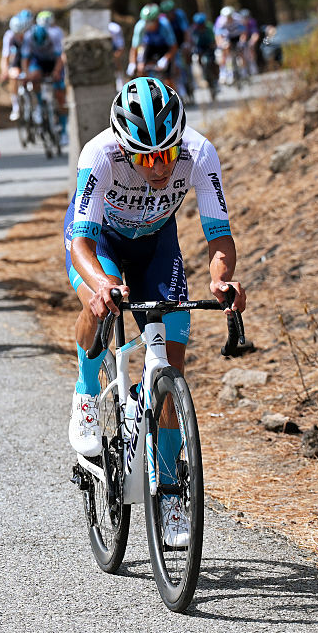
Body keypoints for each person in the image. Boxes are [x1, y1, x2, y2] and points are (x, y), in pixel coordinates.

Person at [64, 77, 246, 545]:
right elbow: (80, 243)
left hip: (157, 245)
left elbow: (218, 234)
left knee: (171, 365)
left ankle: (168, 493)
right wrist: (102, 285)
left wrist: (221, 278)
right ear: (125, 149)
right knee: (100, 307)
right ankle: (86, 392)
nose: (160, 166)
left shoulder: (199, 153)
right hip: (100, 243)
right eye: (145, 158)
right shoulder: (99, 155)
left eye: (167, 153)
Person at [21, 24, 68, 147]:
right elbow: (25, 59)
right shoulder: (28, 37)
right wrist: (26, 74)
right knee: (34, 77)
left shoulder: (54, 35)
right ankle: (40, 105)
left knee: (60, 94)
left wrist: (56, 72)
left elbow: (61, 57)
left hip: (54, 61)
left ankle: (63, 131)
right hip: (38, 62)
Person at [1, 10, 32, 121]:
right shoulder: (9, 36)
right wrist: (5, 71)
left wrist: (27, 73)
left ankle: (36, 105)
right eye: (17, 34)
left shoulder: (29, 35)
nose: (20, 36)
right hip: (17, 58)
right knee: (13, 75)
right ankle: (16, 106)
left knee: (33, 76)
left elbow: (26, 57)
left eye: (22, 33)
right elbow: (5, 57)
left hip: (28, 58)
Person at [189, 13, 219, 100]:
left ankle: (216, 76)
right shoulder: (193, 30)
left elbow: (214, 39)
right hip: (200, 47)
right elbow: (192, 41)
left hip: (209, 46)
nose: (201, 26)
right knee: (199, 60)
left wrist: (214, 45)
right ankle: (204, 75)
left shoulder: (209, 27)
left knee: (212, 61)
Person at [214, 6, 245, 85]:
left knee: (241, 51)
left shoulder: (238, 19)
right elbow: (218, 36)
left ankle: (244, 72)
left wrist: (242, 42)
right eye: (227, 17)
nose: (229, 18)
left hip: (236, 36)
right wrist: (221, 45)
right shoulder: (220, 22)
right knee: (224, 52)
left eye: (230, 16)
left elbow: (244, 33)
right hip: (226, 37)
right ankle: (223, 73)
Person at [238, 8, 260, 77]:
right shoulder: (239, 23)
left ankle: (253, 69)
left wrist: (252, 42)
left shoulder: (252, 22)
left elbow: (255, 34)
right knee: (241, 52)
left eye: (247, 18)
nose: (245, 20)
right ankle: (243, 71)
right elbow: (242, 35)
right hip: (241, 39)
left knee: (251, 49)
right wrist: (241, 43)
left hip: (250, 38)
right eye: (244, 18)